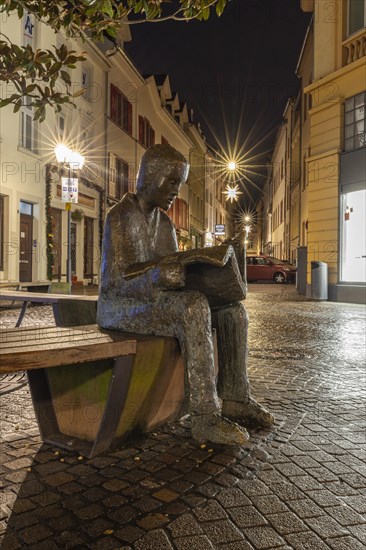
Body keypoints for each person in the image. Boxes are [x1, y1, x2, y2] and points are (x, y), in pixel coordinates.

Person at [97, 144, 274, 445]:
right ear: (150, 177)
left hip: (151, 300)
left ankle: (235, 396)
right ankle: (205, 416)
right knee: (192, 307)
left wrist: (210, 273)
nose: (175, 191)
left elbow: (174, 270)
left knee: (233, 312)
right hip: (120, 306)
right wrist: (158, 274)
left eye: (179, 184)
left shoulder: (164, 223)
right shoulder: (120, 216)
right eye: (171, 182)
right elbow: (116, 281)